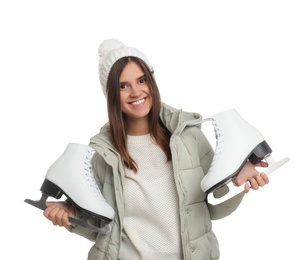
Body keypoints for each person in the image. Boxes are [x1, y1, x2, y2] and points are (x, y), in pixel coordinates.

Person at [43, 39, 269, 260]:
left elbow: (214, 211)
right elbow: (105, 231)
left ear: (152, 81)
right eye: (123, 86)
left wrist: (236, 181)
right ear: (110, 94)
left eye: (142, 81)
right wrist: (73, 217)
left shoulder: (188, 136)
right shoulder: (103, 155)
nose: (136, 92)